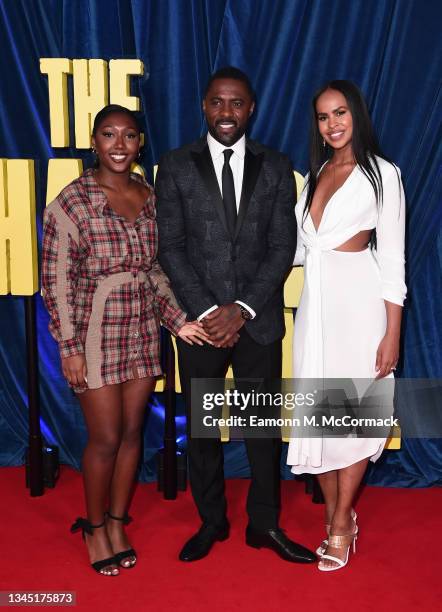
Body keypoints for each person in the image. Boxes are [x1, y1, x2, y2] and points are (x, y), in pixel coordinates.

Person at [155, 66, 316, 564]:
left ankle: (263, 525)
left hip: (258, 322)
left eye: (238, 103)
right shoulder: (175, 166)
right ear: (204, 106)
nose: (227, 112)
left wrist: (241, 310)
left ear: (252, 109)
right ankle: (212, 521)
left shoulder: (276, 165)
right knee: (203, 430)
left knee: (262, 430)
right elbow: (171, 248)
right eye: (218, 103)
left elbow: (280, 246)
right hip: (201, 329)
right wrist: (207, 312)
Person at [41, 104, 207, 576]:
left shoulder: (149, 197)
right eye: (108, 135)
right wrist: (68, 346)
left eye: (129, 135)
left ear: (139, 144)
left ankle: (117, 521)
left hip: (140, 332)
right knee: (106, 437)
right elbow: (55, 282)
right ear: (93, 142)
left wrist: (178, 322)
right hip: (93, 334)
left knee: (133, 434)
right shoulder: (71, 202)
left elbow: (153, 270)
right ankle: (94, 527)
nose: (119, 144)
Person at [286, 81, 406, 571]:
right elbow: (297, 249)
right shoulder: (316, 174)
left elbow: (393, 260)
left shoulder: (383, 174)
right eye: (322, 116)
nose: (332, 124)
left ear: (356, 114)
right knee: (319, 419)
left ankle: (339, 522)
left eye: (340, 113)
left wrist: (391, 333)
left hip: (360, 307)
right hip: (315, 310)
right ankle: (340, 515)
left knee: (354, 420)